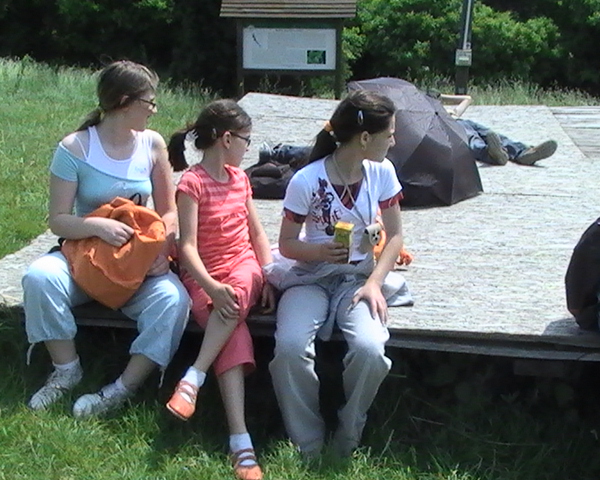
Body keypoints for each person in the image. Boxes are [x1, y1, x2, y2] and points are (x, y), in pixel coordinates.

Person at [22, 60, 190, 417]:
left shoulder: (152, 144)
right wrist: (98, 227)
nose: (154, 110)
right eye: (149, 102)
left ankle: (122, 388)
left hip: (137, 266)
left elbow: (169, 211)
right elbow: (58, 221)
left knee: (173, 300)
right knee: (39, 277)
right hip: (86, 261)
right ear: (125, 102)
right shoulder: (74, 148)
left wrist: (162, 251)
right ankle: (66, 371)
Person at [268, 90, 404, 459]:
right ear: (365, 138)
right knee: (290, 347)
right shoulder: (307, 179)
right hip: (310, 277)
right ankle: (307, 442)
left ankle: (349, 431)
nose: (393, 142)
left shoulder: (382, 173)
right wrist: (319, 251)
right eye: (390, 134)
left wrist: (374, 283)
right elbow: (286, 244)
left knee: (370, 350)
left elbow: (395, 237)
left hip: (358, 278)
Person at [165, 99, 275, 480]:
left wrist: (269, 276)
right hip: (204, 276)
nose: (248, 148)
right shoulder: (192, 183)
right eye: (246, 140)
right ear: (227, 139)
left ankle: (193, 376)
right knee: (234, 331)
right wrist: (211, 286)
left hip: (243, 268)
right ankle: (240, 442)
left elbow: (257, 235)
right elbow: (186, 248)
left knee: (240, 287)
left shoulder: (241, 179)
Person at [439, 93, 558, 166]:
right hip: (451, 125)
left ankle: (523, 153)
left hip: (465, 122)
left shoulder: (452, 112)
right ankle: (491, 155)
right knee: (473, 141)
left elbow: (467, 99)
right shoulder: (434, 114)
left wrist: (439, 96)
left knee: (497, 137)